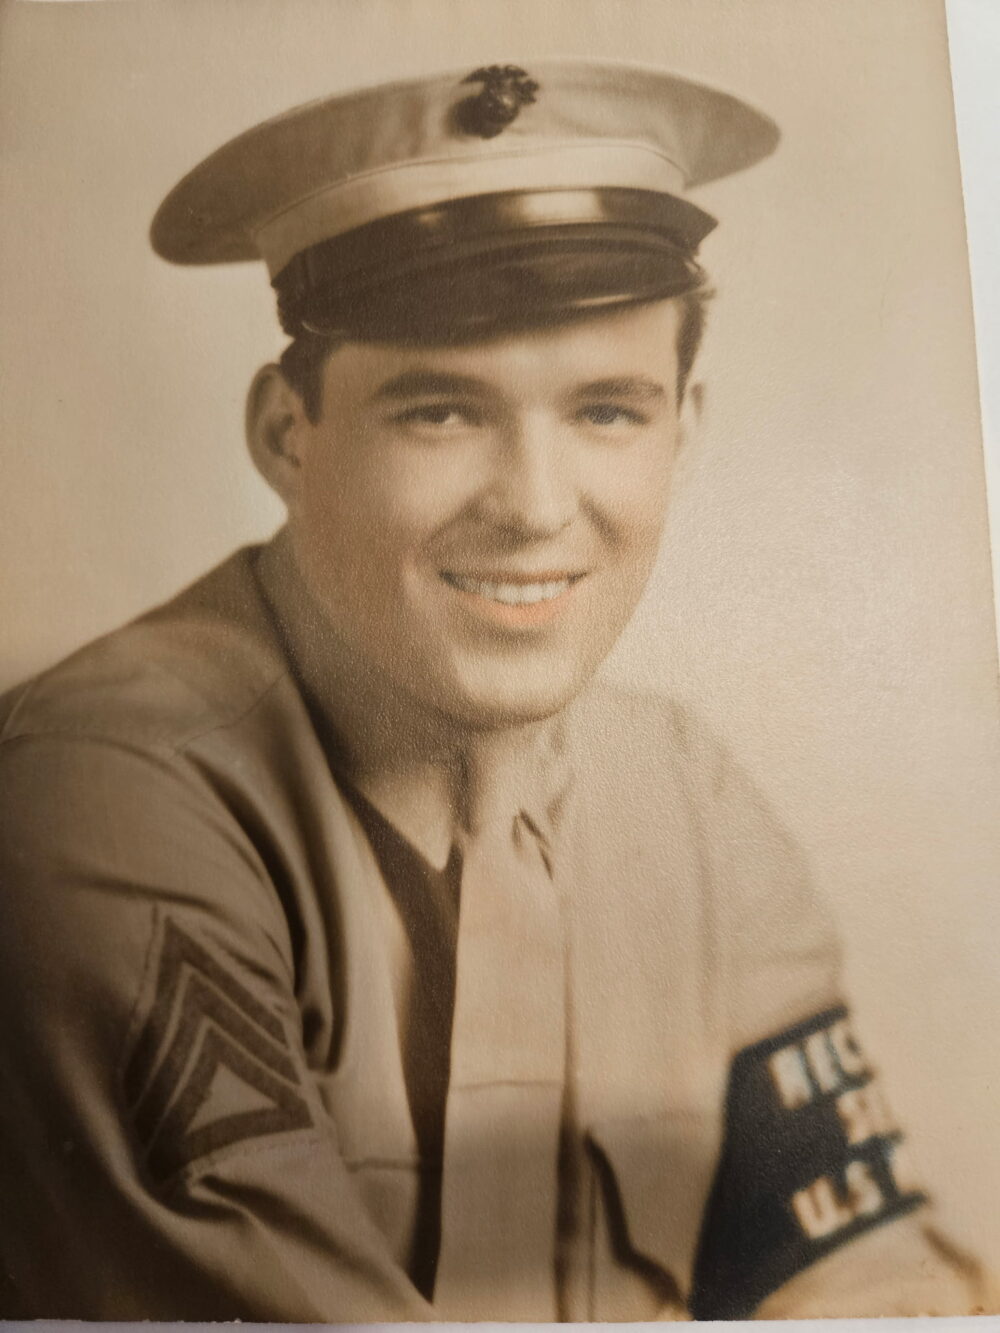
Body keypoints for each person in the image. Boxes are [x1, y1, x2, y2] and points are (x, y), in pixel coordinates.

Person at [0, 58, 987, 1320]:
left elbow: (861, 1281)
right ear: (285, 434)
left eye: (607, 413)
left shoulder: (683, 798)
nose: (532, 506)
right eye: (440, 413)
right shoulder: (105, 795)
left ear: (684, 427)